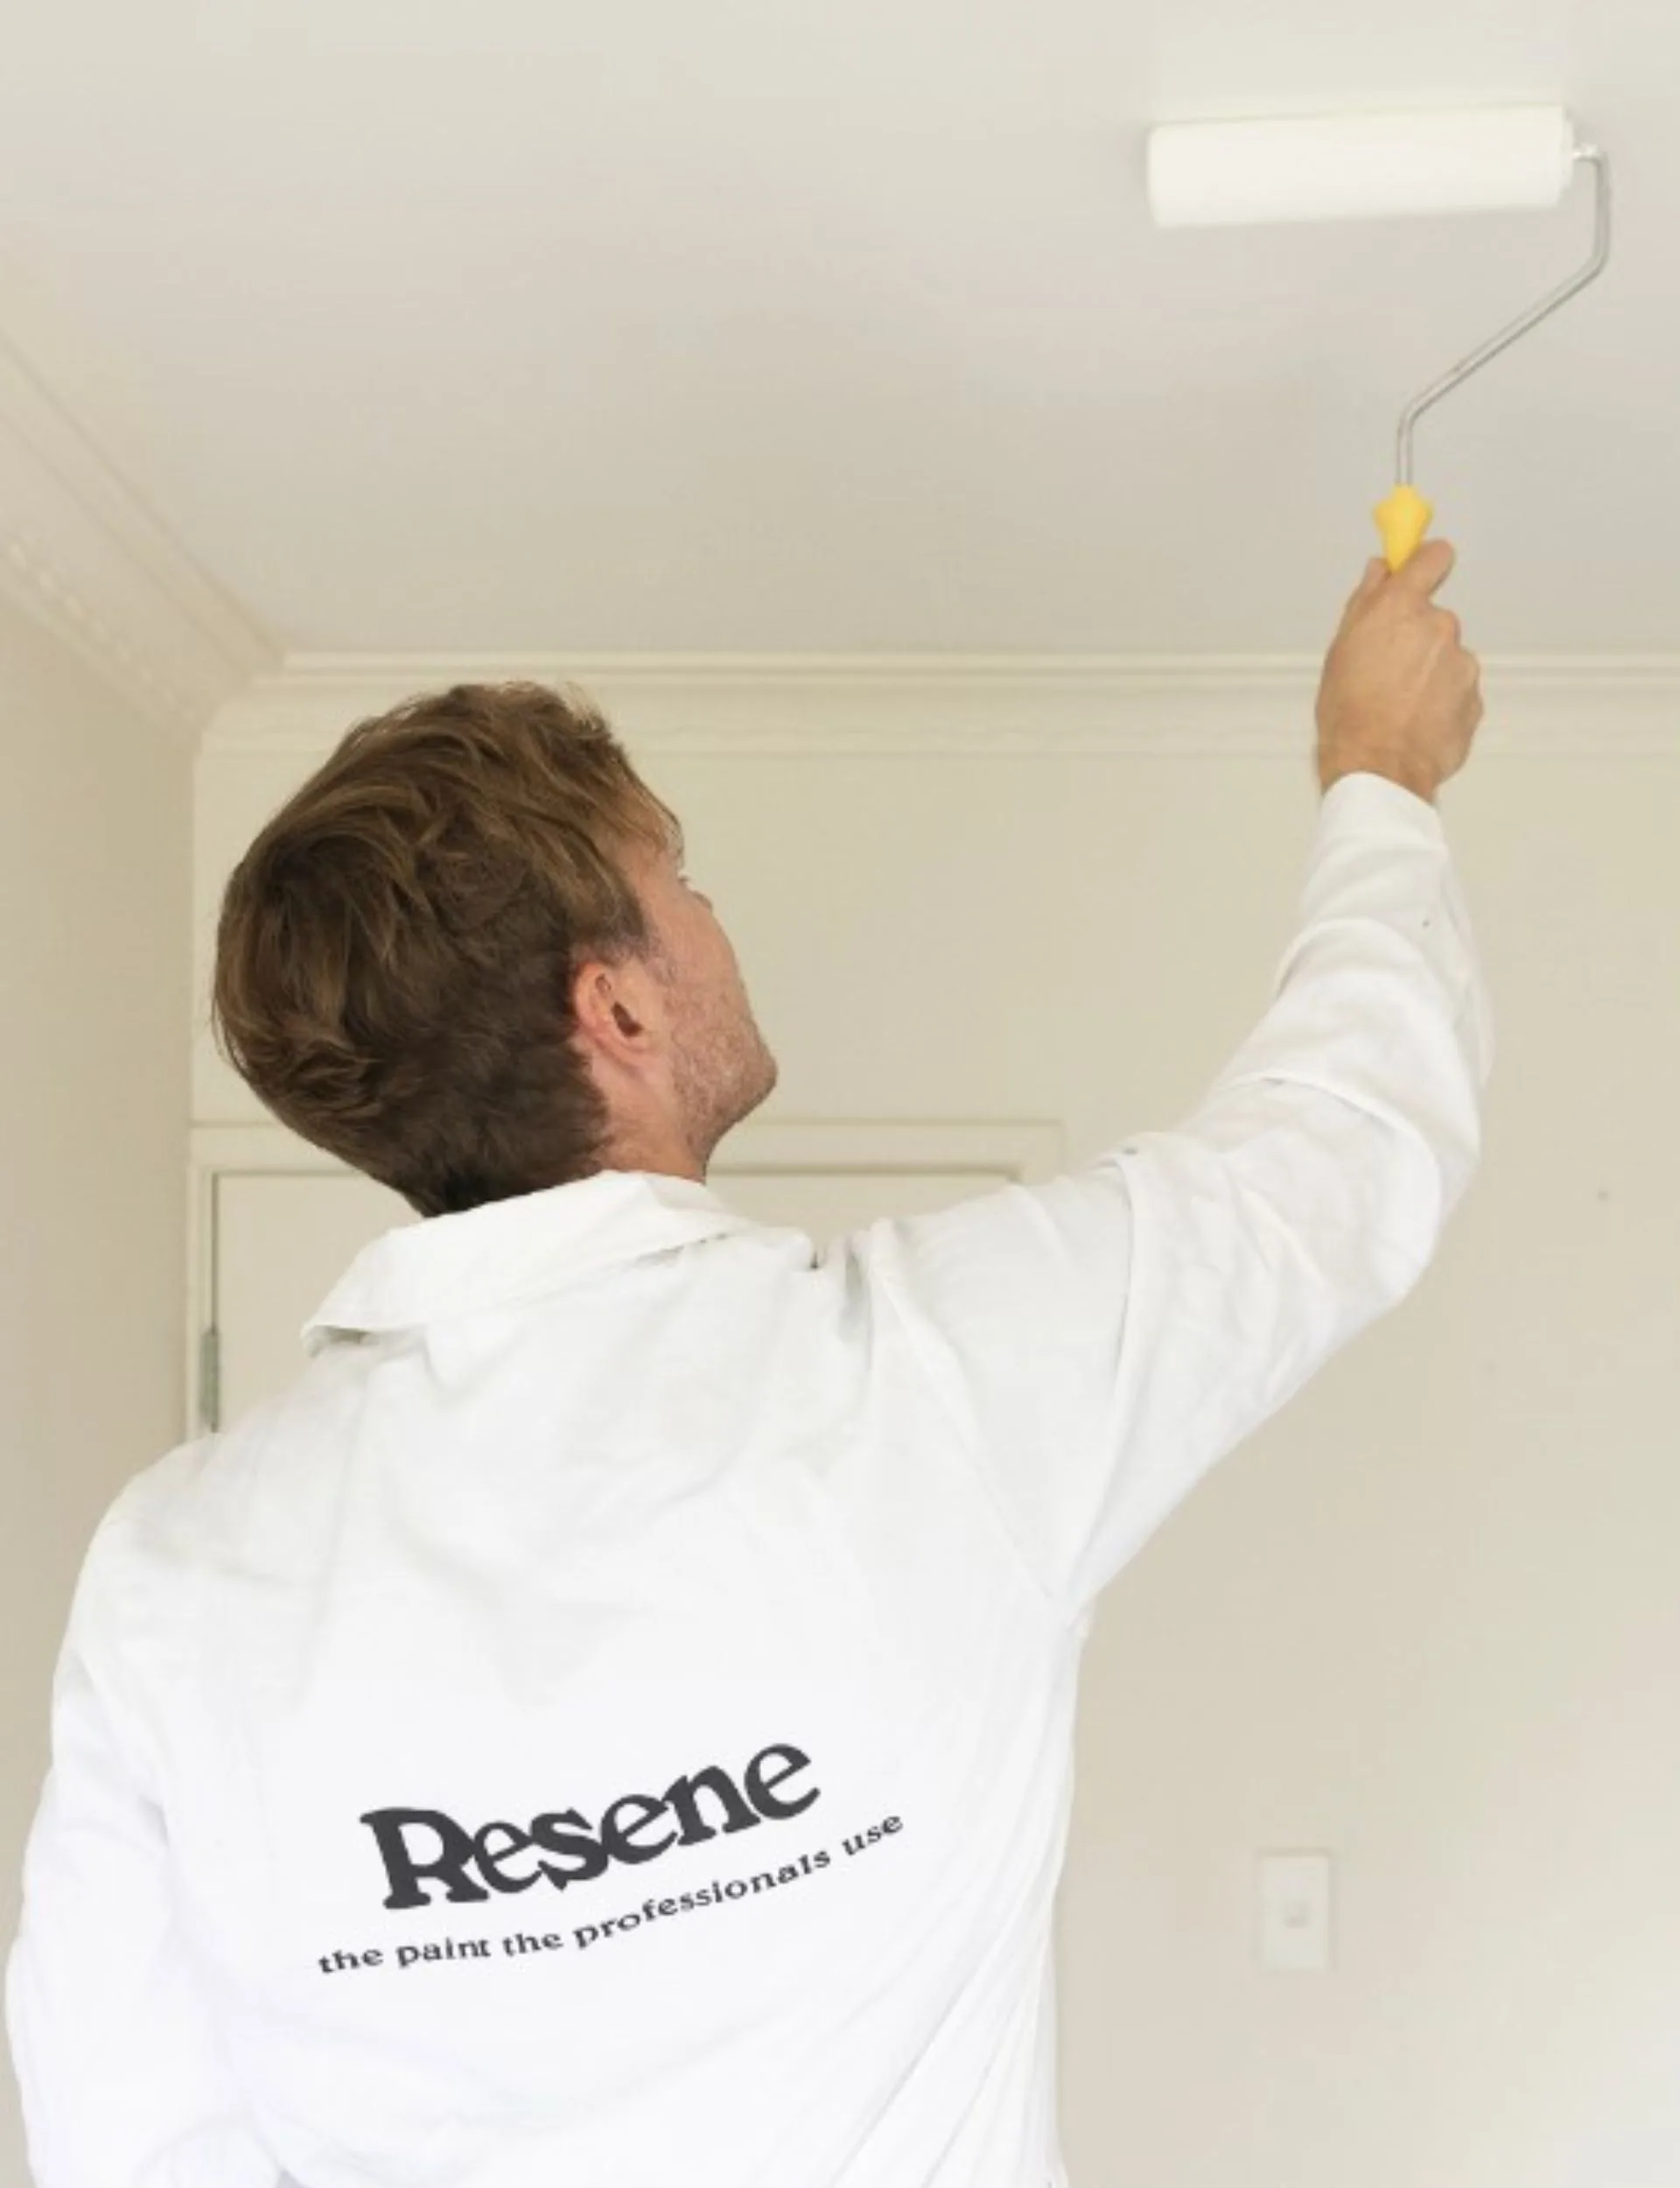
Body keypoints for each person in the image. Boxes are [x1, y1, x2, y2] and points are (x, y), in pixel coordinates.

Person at [7, 544, 1486, 2188]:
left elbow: (122, 2136)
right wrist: (1384, 773)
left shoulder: (175, 1565)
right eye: (682, 878)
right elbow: (1344, 1150)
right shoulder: (940, 1377)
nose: (714, 918)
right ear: (618, 1011)